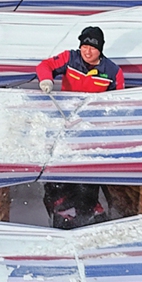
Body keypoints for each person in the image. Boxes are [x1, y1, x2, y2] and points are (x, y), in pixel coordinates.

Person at [34, 26, 124, 229]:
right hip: (66, 123)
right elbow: (45, 66)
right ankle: (61, 207)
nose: (87, 51)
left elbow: (118, 103)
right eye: (84, 46)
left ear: (100, 49)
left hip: (93, 129)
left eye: (92, 48)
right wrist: (46, 80)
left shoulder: (112, 73)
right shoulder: (70, 59)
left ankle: (88, 210)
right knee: (62, 167)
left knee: (87, 172)